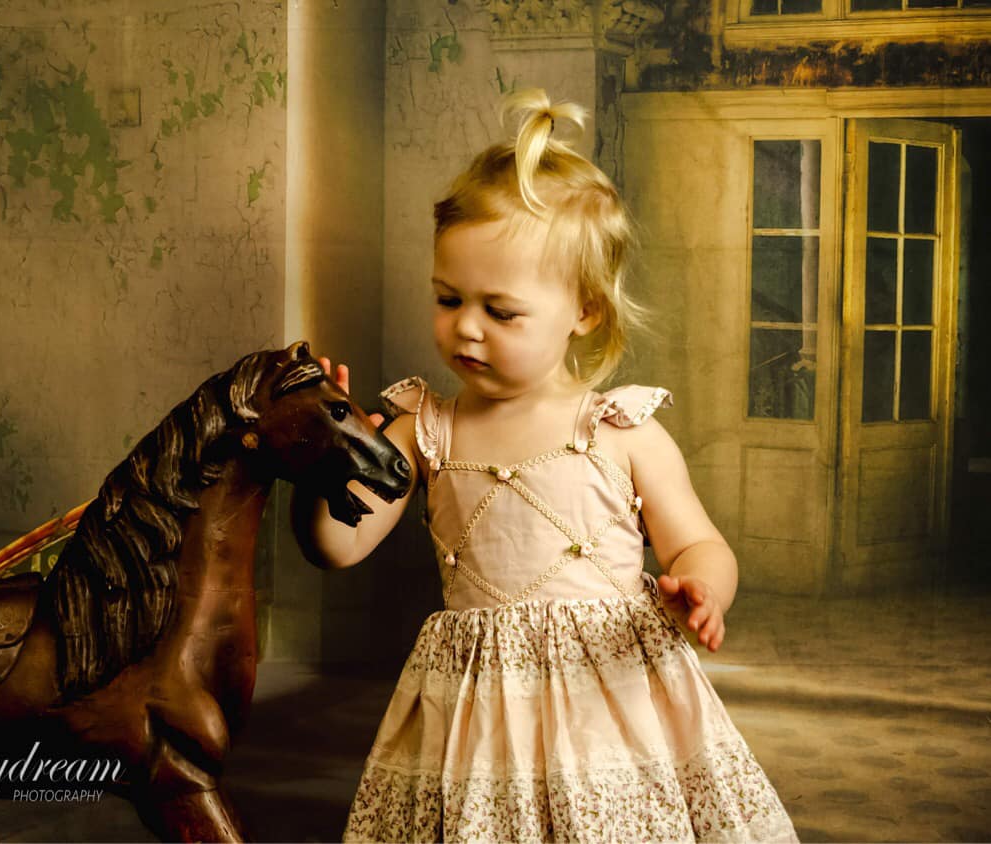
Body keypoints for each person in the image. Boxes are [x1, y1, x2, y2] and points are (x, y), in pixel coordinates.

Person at [294, 89, 797, 842]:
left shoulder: (618, 430)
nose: (464, 326)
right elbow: (336, 547)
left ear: (584, 311)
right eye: (446, 297)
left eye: (500, 311)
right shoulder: (420, 427)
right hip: (478, 713)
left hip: (613, 701)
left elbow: (699, 544)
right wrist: (332, 452)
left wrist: (703, 589)